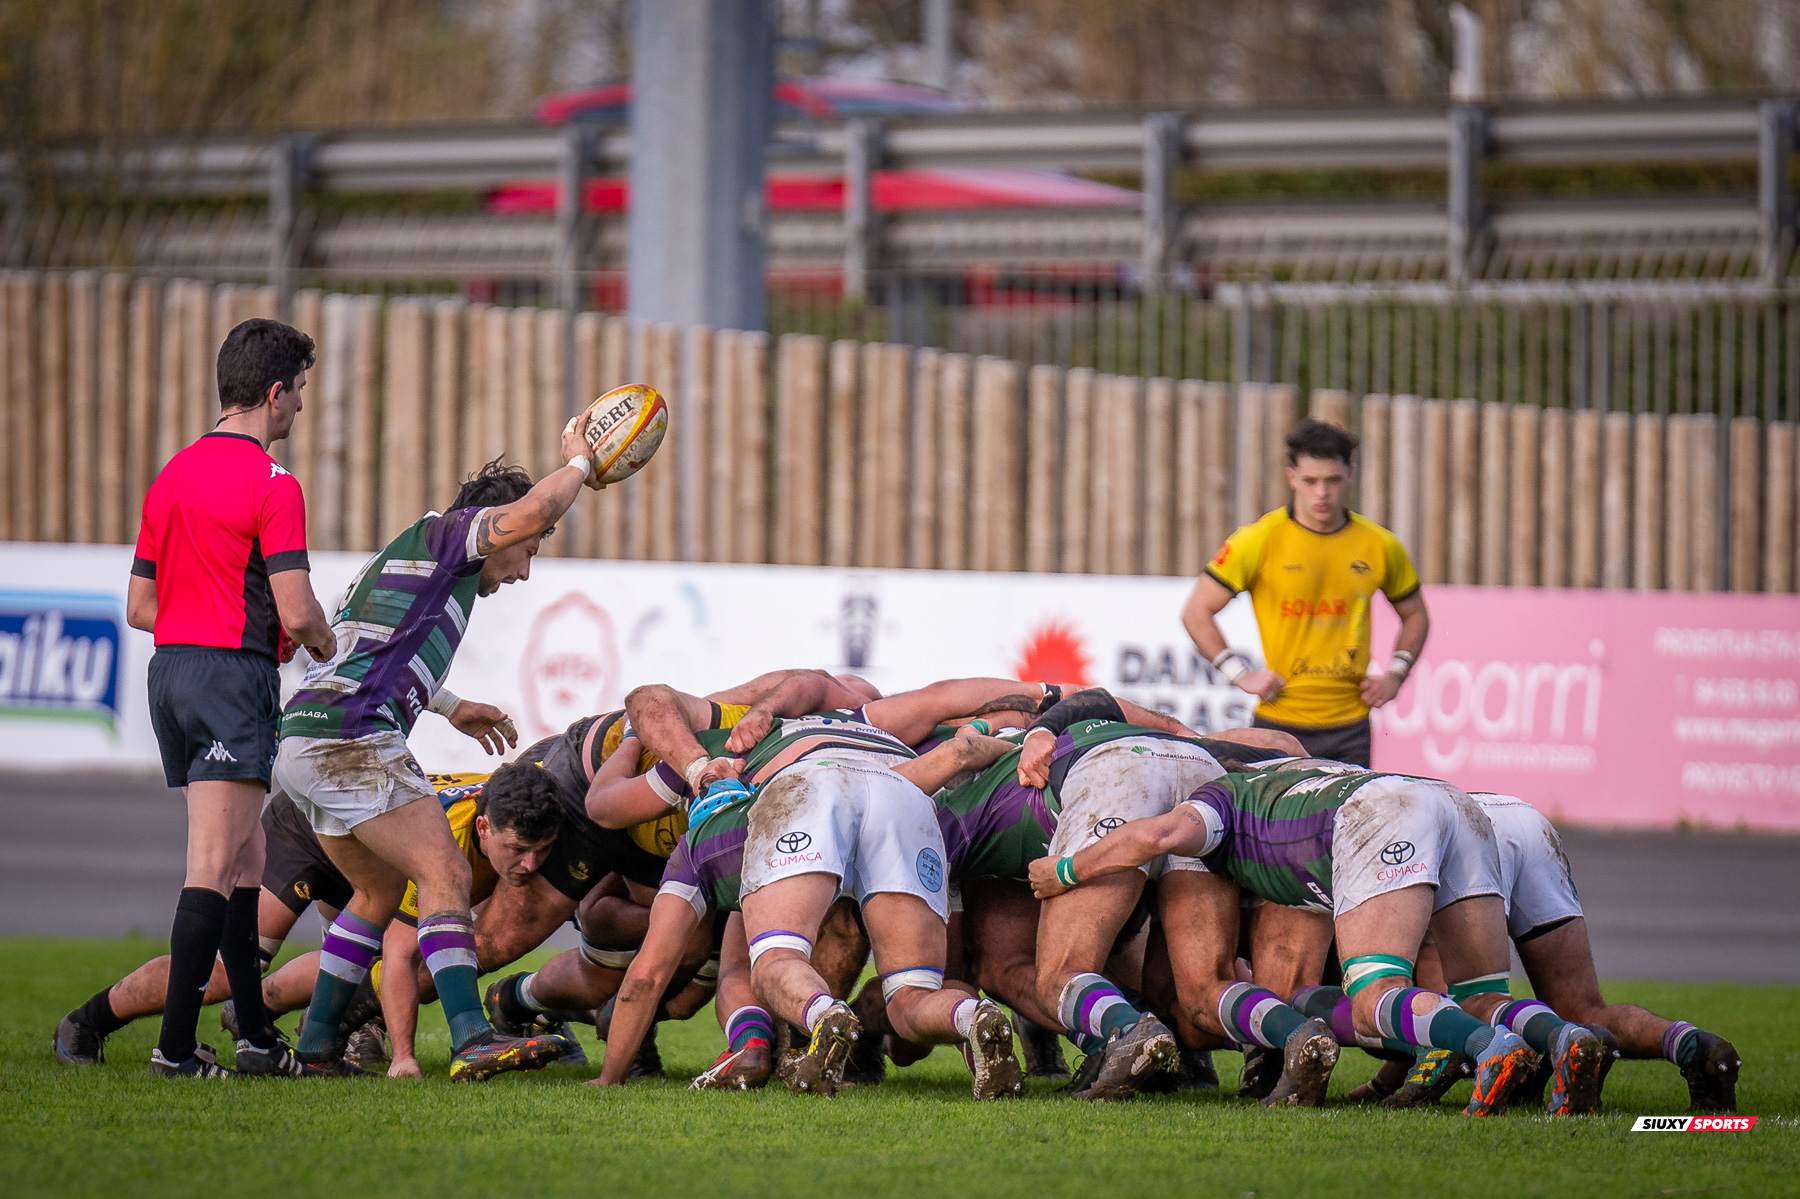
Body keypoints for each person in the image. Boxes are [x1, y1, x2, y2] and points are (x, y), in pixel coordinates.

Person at [1030, 759, 1610, 1117]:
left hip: (1381, 813)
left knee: (1373, 997)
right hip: (1453, 802)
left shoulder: (1223, 795)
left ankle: (1492, 1051)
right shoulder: (1289, 781)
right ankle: (1566, 1041)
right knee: (1480, 995)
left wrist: (1067, 869)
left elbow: (1162, 833)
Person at [274, 440, 598, 1082]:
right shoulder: (453, 538)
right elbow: (532, 512)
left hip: (303, 741)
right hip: (352, 738)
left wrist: (449, 705)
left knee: (376, 890)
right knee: (444, 869)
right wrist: (583, 465)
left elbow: (361, 647)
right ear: (496, 527)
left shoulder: (421, 557)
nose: (526, 570)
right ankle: (472, 1035)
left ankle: (314, 1047)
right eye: (528, 552)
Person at [126, 318, 336, 1078]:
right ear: (274, 394)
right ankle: (176, 1048)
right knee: (214, 860)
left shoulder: (170, 475)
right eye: (300, 392)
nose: (301, 408)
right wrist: (322, 644)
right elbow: (298, 608)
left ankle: (253, 1035)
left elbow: (140, 606)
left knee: (247, 855)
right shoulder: (273, 484)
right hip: (229, 677)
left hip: (171, 674)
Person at [1344, 792, 1741, 1112]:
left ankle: (1553, 1050)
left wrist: (1383, 1088)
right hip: (1521, 819)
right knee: (1583, 1009)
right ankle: (1692, 1045)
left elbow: (1428, 1013)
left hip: (1457, 837)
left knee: (1465, 1006)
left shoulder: (1357, 838)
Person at [1181, 418, 1428, 767]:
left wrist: (1396, 675)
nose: (1322, 494)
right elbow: (1196, 611)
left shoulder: (1380, 545)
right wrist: (1239, 674)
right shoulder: (1259, 540)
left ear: (1351, 474)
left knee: (1349, 824)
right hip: (1278, 724)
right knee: (1268, 824)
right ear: (1291, 478)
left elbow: (1416, 614)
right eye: (1311, 481)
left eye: (1332, 481)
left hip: (1350, 727)